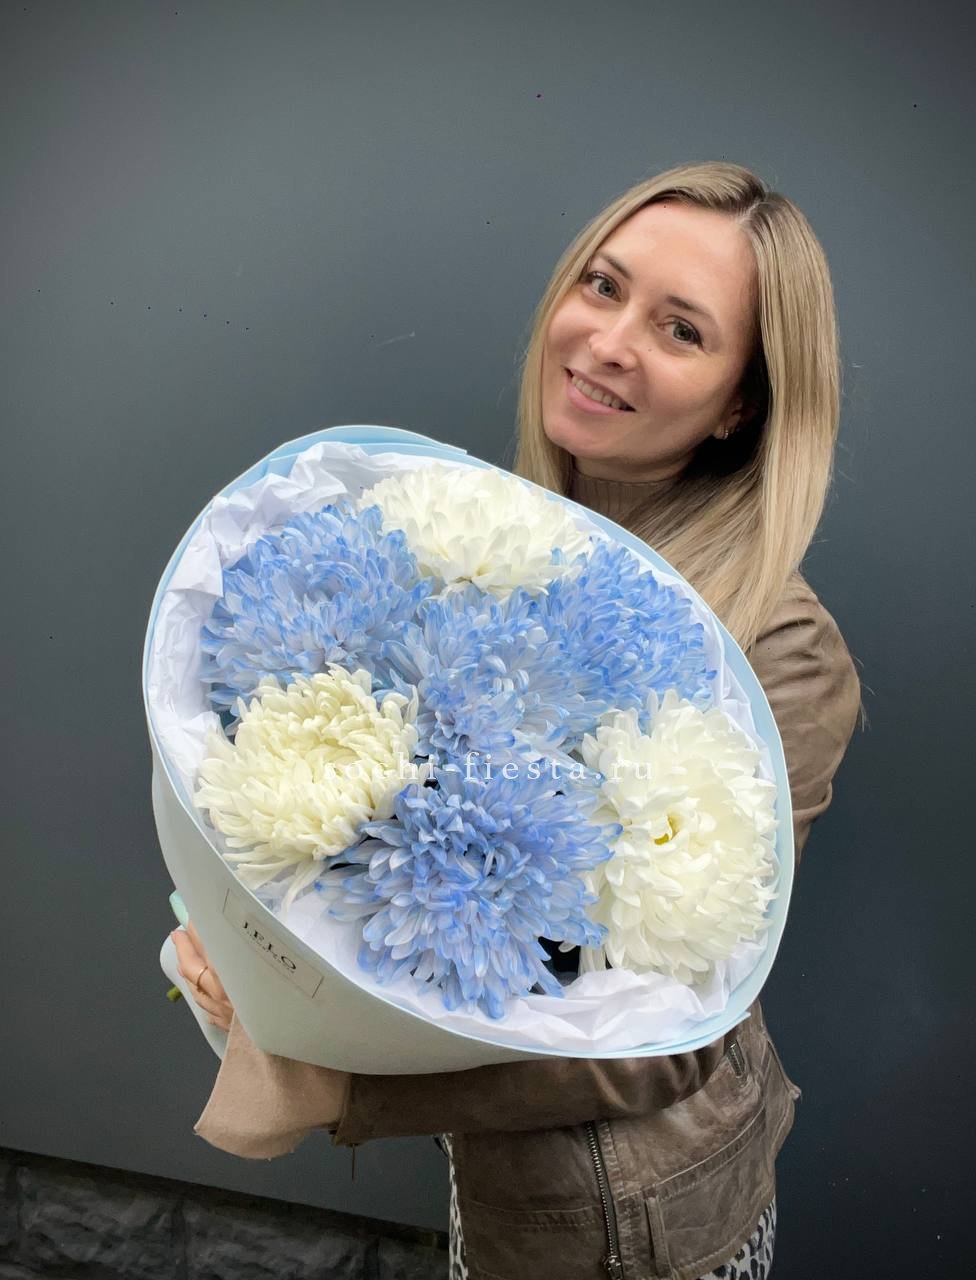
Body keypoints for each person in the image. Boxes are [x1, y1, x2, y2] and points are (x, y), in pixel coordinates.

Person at [171, 160, 863, 1280]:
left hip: (635, 1223)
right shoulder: (494, 545)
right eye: (603, 285)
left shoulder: (779, 650)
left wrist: (328, 1078)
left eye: (681, 329)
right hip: (502, 1187)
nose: (609, 340)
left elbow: (671, 1035)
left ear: (743, 402)